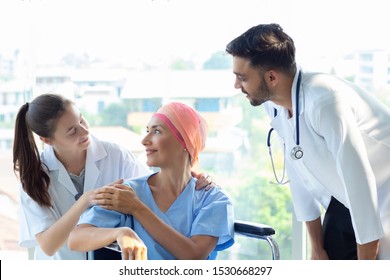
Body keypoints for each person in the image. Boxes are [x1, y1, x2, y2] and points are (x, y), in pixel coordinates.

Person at [225, 23, 390, 260]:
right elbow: (298, 170)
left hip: (379, 193)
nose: (237, 86)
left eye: (242, 78)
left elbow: (360, 184)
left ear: (271, 77)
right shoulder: (274, 105)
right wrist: (316, 247)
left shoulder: (325, 102)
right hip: (345, 200)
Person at [13, 93, 213, 260]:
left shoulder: (116, 155)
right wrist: (85, 200)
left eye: (81, 120)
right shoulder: (34, 176)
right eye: (72, 131)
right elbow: (48, 245)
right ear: (47, 140)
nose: (84, 131)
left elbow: (154, 188)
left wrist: (191, 176)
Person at [68, 102, 235, 260]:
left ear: (185, 141)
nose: (144, 140)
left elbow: (193, 256)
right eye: (147, 130)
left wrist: (137, 208)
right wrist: (121, 233)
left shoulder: (214, 199)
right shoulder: (128, 192)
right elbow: (76, 239)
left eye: (157, 131)